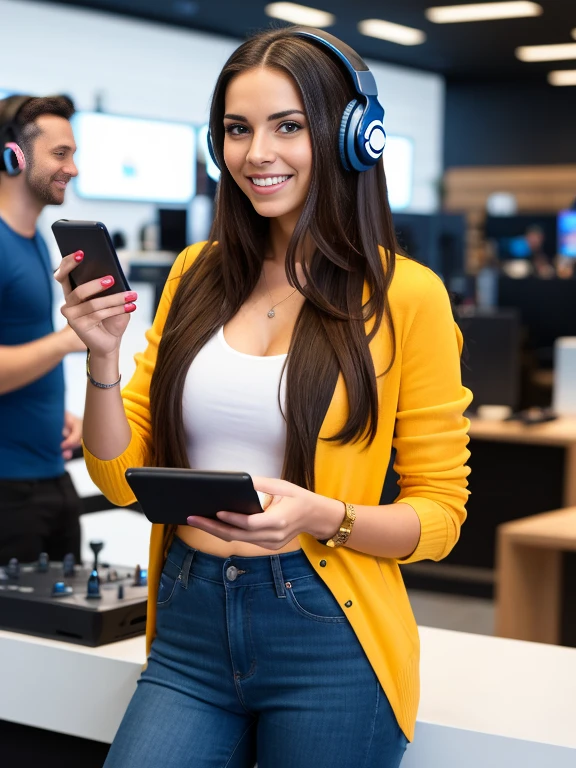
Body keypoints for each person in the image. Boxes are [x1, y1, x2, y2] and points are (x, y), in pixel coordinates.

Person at [56, 26, 471, 768]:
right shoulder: (196, 272)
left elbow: (439, 517)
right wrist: (103, 359)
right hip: (188, 623)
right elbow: (122, 480)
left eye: (289, 127)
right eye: (238, 130)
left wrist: (325, 516)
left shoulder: (405, 295)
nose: (258, 154)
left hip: (326, 630)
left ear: (353, 139)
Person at [0, 94, 85, 565]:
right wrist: (67, 340)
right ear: (13, 155)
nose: (72, 169)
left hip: (50, 472)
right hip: (8, 490)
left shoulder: (32, 238)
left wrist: (57, 414)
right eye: (60, 154)